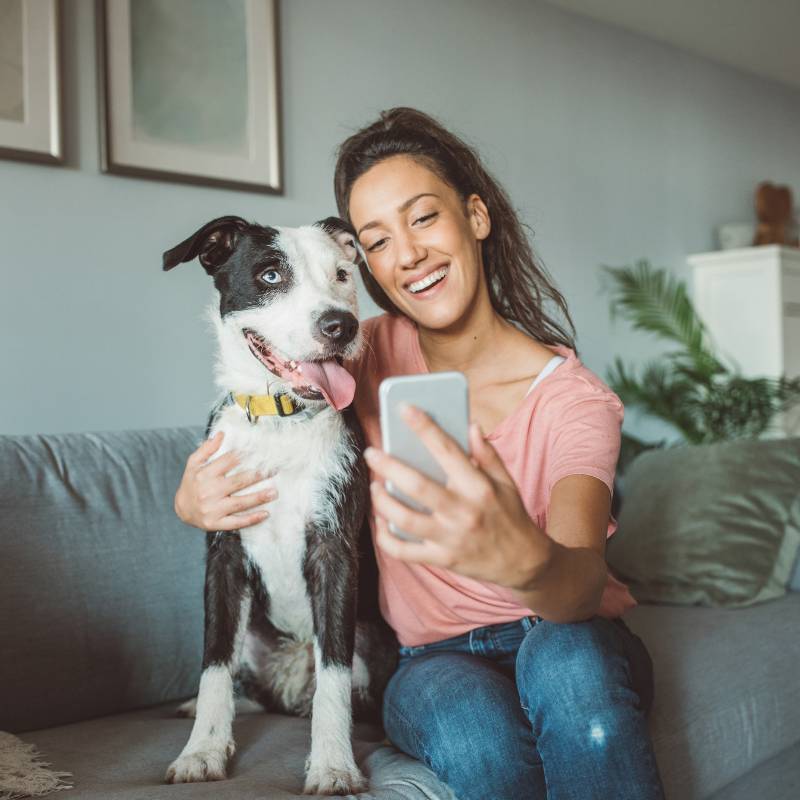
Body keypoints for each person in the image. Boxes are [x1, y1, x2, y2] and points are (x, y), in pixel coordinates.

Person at [174, 107, 666, 800]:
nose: (406, 254)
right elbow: (267, 385)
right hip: (433, 659)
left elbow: (580, 584)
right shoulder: (359, 351)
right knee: (479, 742)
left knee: (569, 668)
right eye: (376, 240)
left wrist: (520, 559)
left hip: (557, 630)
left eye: (424, 218)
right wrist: (191, 499)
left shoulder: (573, 401)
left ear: (477, 216)